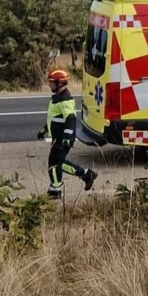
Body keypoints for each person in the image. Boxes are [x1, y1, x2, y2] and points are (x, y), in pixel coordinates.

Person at [37, 68, 97, 198]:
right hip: (58, 137)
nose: (49, 85)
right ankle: (86, 174)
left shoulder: (64, 100)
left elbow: (70, 119)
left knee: (54, 163)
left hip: (62, 138)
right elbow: (56, 118)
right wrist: (45, 129)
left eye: (52, 82)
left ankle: (55, 190)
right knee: (59, 162)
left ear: (60, 83)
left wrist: (68, 137)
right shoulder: (57, 98)